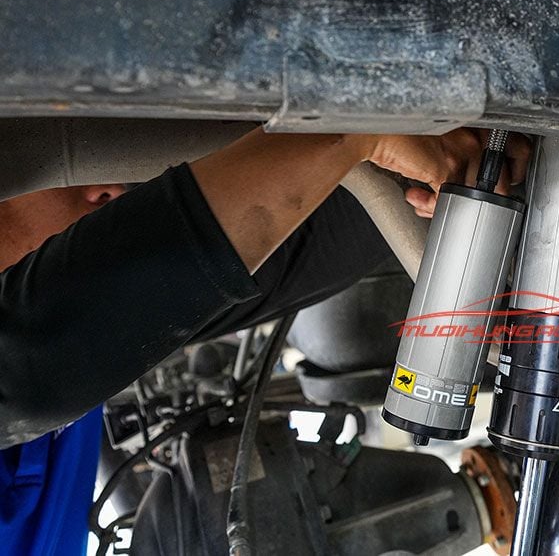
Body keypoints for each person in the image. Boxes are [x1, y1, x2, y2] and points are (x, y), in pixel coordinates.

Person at [0, 127, 528, 556]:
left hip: (48, 300)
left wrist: (353, 133)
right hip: (80, 345)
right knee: (377, 204)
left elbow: (18, 376)